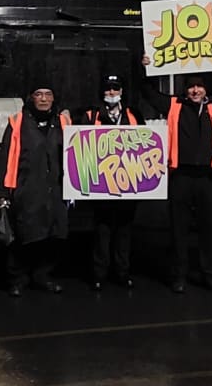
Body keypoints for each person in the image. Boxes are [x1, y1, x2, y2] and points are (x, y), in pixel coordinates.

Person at [139, 58, 212, 294]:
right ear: (185, 89)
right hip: (181, 176)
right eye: (191, 86)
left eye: (199, 86)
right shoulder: (174, 105)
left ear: (205, 89)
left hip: (207, 177)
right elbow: (148, 93)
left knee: (207, 230)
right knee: (178, 230)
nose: (195, 90)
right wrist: (145, 67)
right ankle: (179, 275)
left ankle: (209, 275)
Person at [0, 83, 71, 297]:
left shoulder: (63, 122)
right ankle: (18, 279)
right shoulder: (18, 122)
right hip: (26, 189)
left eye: (48, 94)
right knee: (24, 237)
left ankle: (43, 276)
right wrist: (1, 193)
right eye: (39, 94)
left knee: (53, 236)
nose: (44, 99)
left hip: (56, 190)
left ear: (54, 99)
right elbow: (5, 158)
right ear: (31, 98)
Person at [80, 74, 142, 292]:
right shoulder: (91, 115)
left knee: (124, 232)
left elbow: (145, 144)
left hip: (128, 183)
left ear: (122, 91)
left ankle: (123, 273)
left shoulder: (133, 114)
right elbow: (81, 147)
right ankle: (99, 275)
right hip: (102, 184)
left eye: (116, 88)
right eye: (108, 89)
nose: (112, 93)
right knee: (102, 231)